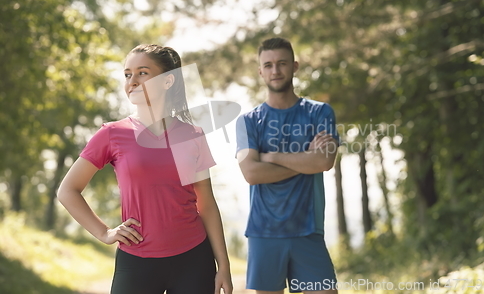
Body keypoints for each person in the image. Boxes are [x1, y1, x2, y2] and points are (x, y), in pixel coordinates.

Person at [58, 44, 233, 294]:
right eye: (128, 74)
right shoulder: (112, 134)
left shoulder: (192, 135)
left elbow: (206, 203)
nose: (132, 81)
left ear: (167, 81)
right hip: (136, 260)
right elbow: (68, 190)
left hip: (194, 258)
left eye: (142, 73)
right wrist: (105, 233)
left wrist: (223, 265)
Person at [236, 37, 340, 294]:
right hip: (264, 232)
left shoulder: (319, 113)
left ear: (294, 66)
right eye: (268, 65)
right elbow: (251, 173)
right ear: (260, 71)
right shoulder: (247, 121)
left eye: (282, 63)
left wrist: (270, 157)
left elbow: (324, 160)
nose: (275, 70)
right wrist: (307, 160)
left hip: (308, 230)